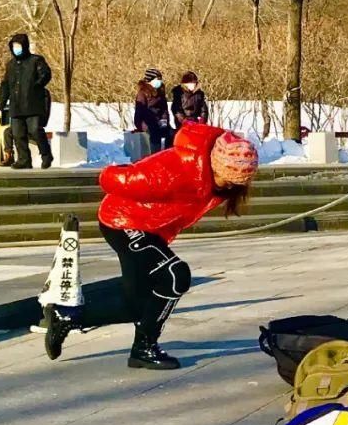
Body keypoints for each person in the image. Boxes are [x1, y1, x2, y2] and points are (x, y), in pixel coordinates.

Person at [96, 123, 259, 369]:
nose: (231, 187)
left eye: (239, 182)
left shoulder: (216, 176)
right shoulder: (175, 171)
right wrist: (129, 175)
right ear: (216, 165)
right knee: (175, 275)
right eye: (229, 180)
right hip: (122, 221)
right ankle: (145, 348)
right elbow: (112, 178)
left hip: (147, 228)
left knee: (135, 303)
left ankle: (66, 317)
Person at [0, 32, 54, 171]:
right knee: (17, 133)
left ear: (25, 46)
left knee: (35, 130)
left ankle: (46, 155)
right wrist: (1, 102)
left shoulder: (36, 60)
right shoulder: (10, 65)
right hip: (16, 105)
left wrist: (37, 84)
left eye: (19, 46)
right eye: (14, 46)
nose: (16, 49)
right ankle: (24, 159)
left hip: (33, 103)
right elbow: (5, 85)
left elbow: (46, 74)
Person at [134, 68, 173, 153]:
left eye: (160, 79)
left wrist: (164, 121)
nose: (159, 81)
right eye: (157, 79)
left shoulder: (160, 92)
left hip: (159, 121)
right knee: (155, 135)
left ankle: (168, 154)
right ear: (150, 80)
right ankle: (155, 157)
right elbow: (139, 114)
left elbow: (164, 110)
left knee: (171, 133)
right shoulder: (142, 94)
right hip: (147, 123)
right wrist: (145, 126)